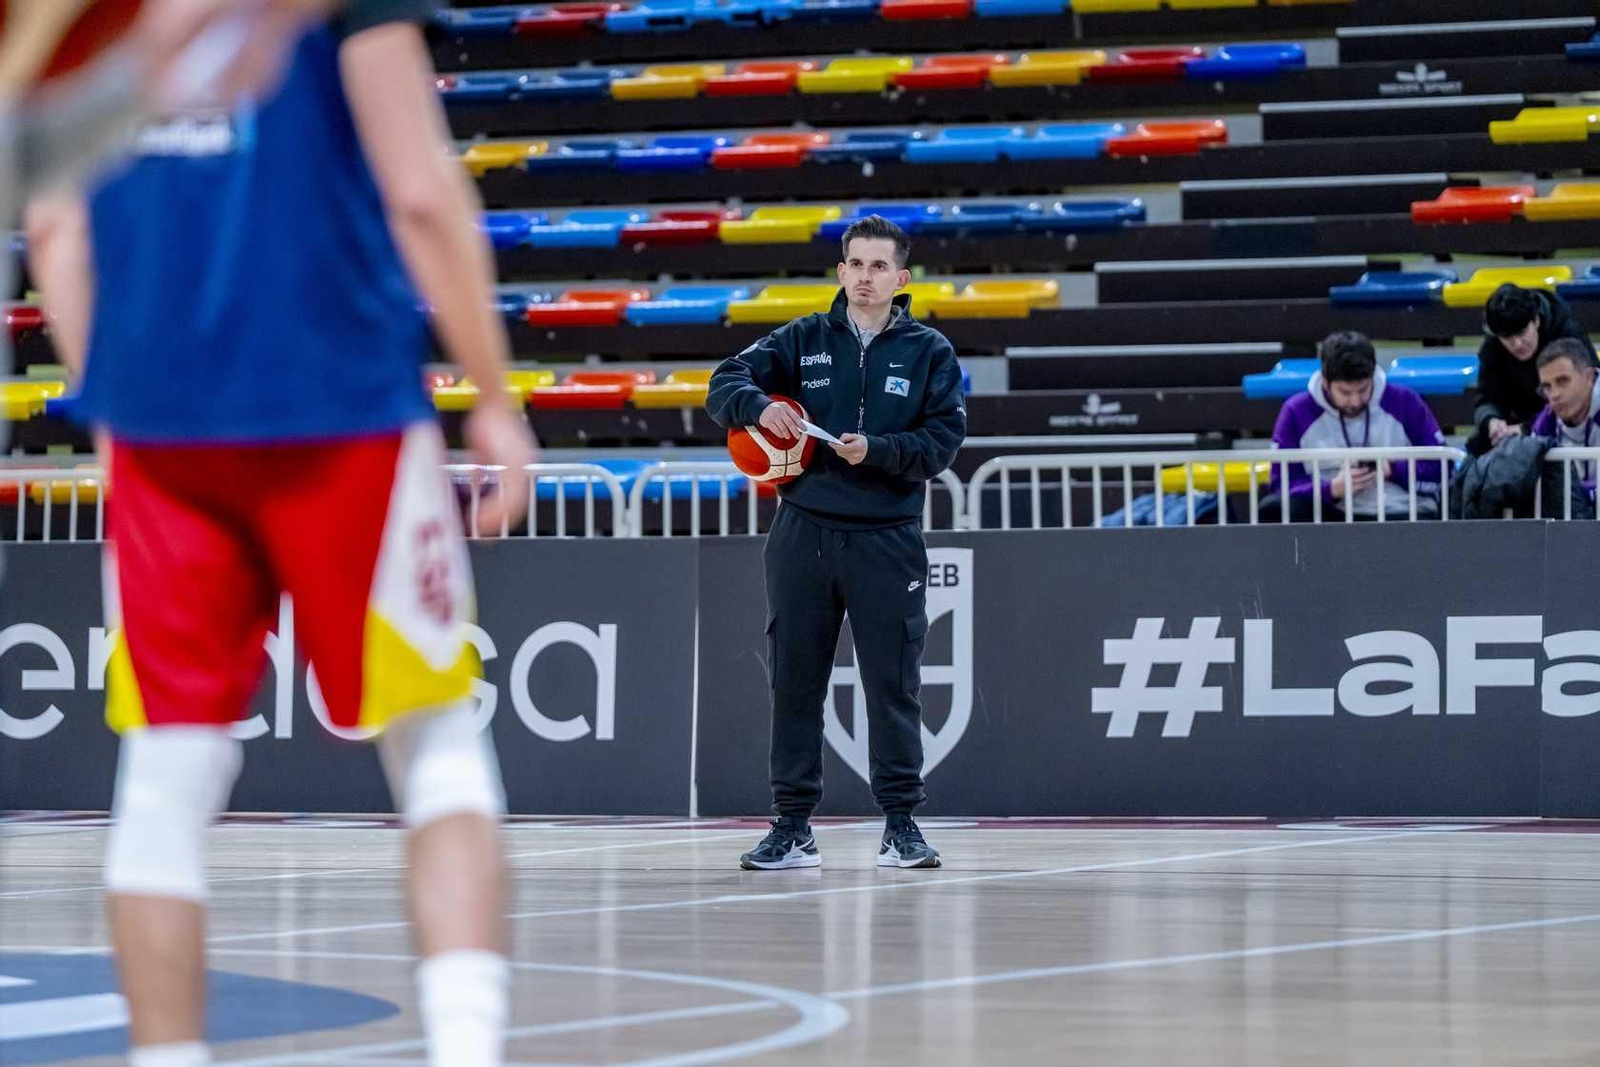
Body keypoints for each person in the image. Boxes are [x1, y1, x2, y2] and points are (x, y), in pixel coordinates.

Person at [24, 4, 537, 1065]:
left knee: (164, 778)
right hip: (338, 404)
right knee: (437, 745)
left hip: (163, 429)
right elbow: (418, 190)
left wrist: (109, 404)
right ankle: (469, 1048)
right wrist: (493, 396)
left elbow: (55, 225)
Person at [706, 215, 966, 871]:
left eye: (880, 266)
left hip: (887, 535)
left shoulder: (930, 351)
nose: (866, 276)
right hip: (804, 532)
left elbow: (941, 444)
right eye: (856, 263)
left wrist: (875, 449)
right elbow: (724, 380)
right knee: (796, 681)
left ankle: (901, 824)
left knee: (892, 683)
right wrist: (756, 407)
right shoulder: (802, 338)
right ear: (841, 270)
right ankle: (791, 827)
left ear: (901, 278)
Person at [1270, 330, 1446, 520]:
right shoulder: (1296, 411)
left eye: (1363, 390)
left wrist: (1392, 469)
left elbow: (1442, 469)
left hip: (1401, 510)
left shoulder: (1405, 401)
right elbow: (1281, 485)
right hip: (1331, 514)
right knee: (1274, 508)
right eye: (1345, 393)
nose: (1355, 401)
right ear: (1325, 382)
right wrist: (1331, 489)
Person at [1470, 283, 1597, 455]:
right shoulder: (1492, 346)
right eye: (1507, 337)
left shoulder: (1568, 333)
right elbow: (1485, 398)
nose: (1517, 344)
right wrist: (1491, 422)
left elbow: (1584, 395)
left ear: (1536, 320)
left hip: (1566, 425)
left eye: (1521, 332)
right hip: (1515, 425)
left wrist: (1526, 428)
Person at [1530, 337, 1600, 497]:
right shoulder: (1545, 426)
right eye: (1547, 386)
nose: (1554, 395)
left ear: (1589, 377)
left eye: (1563, 381)